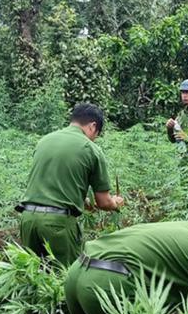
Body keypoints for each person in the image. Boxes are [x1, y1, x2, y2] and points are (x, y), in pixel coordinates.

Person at [18, 103, 124, 266]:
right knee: (63, 278)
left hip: (27, 219)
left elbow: (54, 182)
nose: (94, 138)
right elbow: (103, 202)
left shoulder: (44, 141)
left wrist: (82, 202)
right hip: (57, 224)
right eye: (97, 134)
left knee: (31, 277)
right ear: (93, 126)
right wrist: (115, 203)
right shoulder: (91, 149)